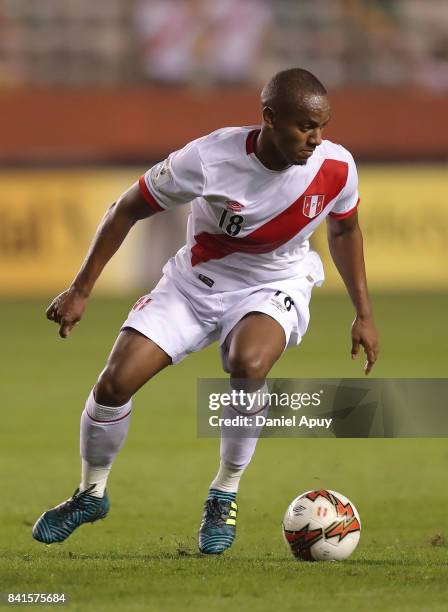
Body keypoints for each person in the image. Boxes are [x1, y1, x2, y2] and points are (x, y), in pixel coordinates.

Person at [32, 68, 379, 554]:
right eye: (305, 126)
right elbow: (126, 207)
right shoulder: (208, 158)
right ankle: (91, 494)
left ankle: (225, 492)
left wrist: (363, 313)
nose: (316, 139)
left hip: (275, 282)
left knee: (248, 363)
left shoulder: (337, 166)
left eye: (323, 126)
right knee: (114, 383)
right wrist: (81, 289)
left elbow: (344, 231)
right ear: (269, 119)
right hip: (194, 283)